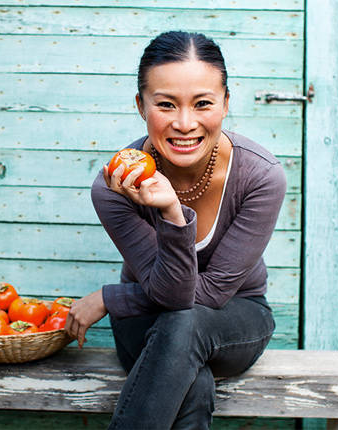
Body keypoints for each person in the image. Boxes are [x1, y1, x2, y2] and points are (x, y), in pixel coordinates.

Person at [65, 31, 287, 429]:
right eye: (166, 105)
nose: (185, 123)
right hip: (145, 325)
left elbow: (214, 292)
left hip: (236, 316)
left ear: (226, 104)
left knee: (186, 322)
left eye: (203, 104)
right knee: (192, 380)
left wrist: (111, 297)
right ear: (141, 105)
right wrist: (172, 211)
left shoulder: (261, 176)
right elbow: (172, 294)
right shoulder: (115, 185)